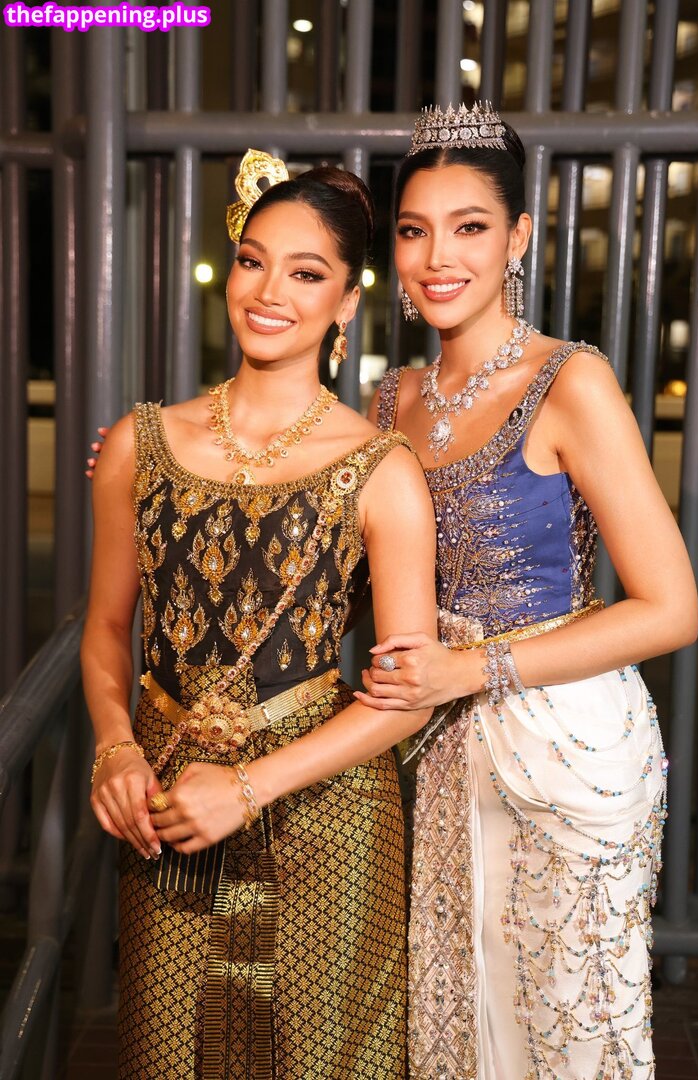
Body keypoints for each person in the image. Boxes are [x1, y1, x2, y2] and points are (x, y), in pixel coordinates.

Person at [358, 103, 698, 1080]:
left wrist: (472, 669)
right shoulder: (389, 403)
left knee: (566, 1039)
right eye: (415, 230)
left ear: (518, 238)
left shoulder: (569, 382)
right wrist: (162, 470)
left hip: (566, 744)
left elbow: (671, 608)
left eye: (469, 227)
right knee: (460, 1032)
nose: (438, 257)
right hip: (439, 745)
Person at [81, 149, 438, 1078]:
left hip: (328, 820)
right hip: (166, 812)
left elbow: (409, 695)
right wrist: (115, 746)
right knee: (170, 1055)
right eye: (252, 260)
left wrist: (247, 786)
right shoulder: (139, 444)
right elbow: (106, 628)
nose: (270, 291)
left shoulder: (381, 469)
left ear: (348, 302)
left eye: (306, 273)